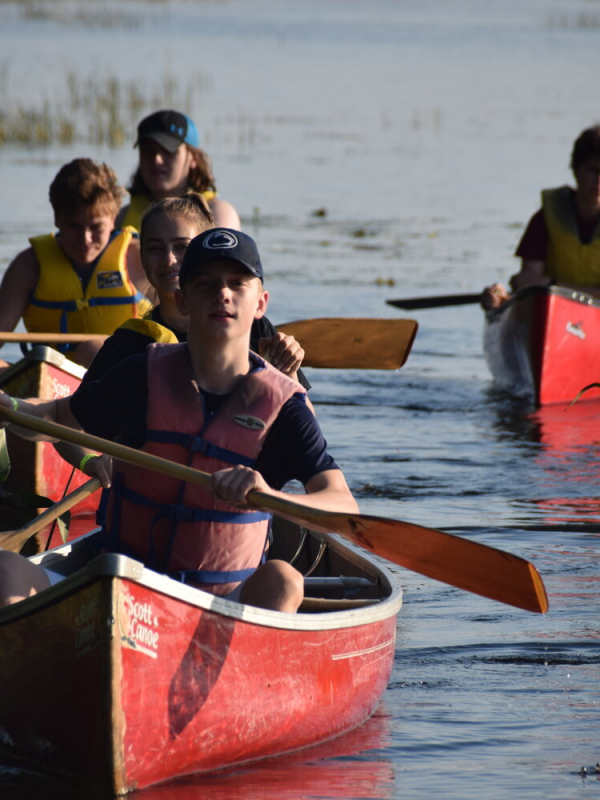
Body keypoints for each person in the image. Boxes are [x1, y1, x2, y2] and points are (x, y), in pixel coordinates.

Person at [0, 228, 354, 612]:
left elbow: (344, 506)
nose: (223, 293)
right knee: (5, 569)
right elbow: (55, 416)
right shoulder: (140, 376)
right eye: (206, 284)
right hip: (121, 587)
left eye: (237, 283)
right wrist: (8, 408)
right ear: (182, 300)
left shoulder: (283, 406)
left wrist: (270, 496)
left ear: (260, 303)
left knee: (284, 579)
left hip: (221, 604)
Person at [0, 158, 152, 367]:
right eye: (74, 226)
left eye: (96, 227)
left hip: (124, 376)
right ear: (56, 218)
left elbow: (177, 328)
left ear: (114, 218)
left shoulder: (141, 257)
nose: (85, 239)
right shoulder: (28, 267)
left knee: (92, 350)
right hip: (48, 382)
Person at [482, 124, 600, 310]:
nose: (598, 180)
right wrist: (499, 297)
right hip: (551, 312)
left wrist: (551, 286)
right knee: (497, 296)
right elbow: (527, 280)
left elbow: (535, 284)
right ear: (576, 170)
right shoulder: (547, 217)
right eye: (593, 170)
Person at [116, 109, 240, 232]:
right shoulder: (121, 218)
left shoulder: (218, 214)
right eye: (148, 150)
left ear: (193, 158)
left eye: (168, 151)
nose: (157, 159)